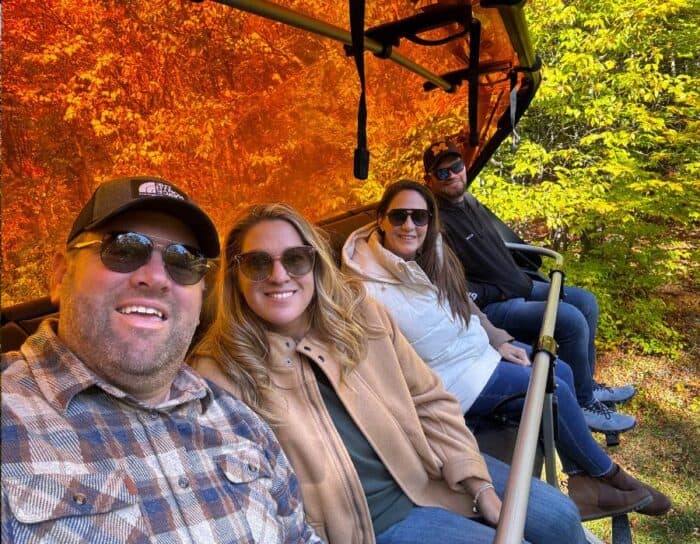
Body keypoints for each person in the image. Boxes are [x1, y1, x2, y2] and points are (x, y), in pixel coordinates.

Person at [191, 202, 589, 544]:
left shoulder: (362, 315)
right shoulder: (219, 372)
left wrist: (476, 481)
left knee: (561, 518)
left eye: (295, 259)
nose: (279, 276)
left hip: (431, 471)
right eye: (258, 263)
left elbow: (429, 400)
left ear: (314, 263)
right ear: (235, 276)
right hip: (373, 524)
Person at [1, 177, 321, 543]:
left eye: (183, 261)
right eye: (123, 249)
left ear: (202, 295)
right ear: (60, 275)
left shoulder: (240, 420)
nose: (156, 278)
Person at [340, 179, 671, 521]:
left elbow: (464, 306)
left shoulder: (431, 254)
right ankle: (609, 476)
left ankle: (584, 480)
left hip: (475, 353)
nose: (409, 226)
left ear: (430, 222)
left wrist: (497, 338)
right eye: (399, 216)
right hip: (451, 380)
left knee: (563, 370)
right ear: (381, 219)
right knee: (549, 385)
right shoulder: (366, 288)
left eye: (419, 217)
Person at [423, 139, 637, 433]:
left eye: (456, 167)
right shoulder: (435, 225)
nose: (453, 175)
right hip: (493, 306)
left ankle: (587, 386)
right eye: (442, 173)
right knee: (570, 320)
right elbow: (451, 284)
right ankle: (585, 404)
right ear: (430, 180)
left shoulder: (470, 202)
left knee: (586, 302)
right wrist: (496, 292)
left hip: (521, 286)